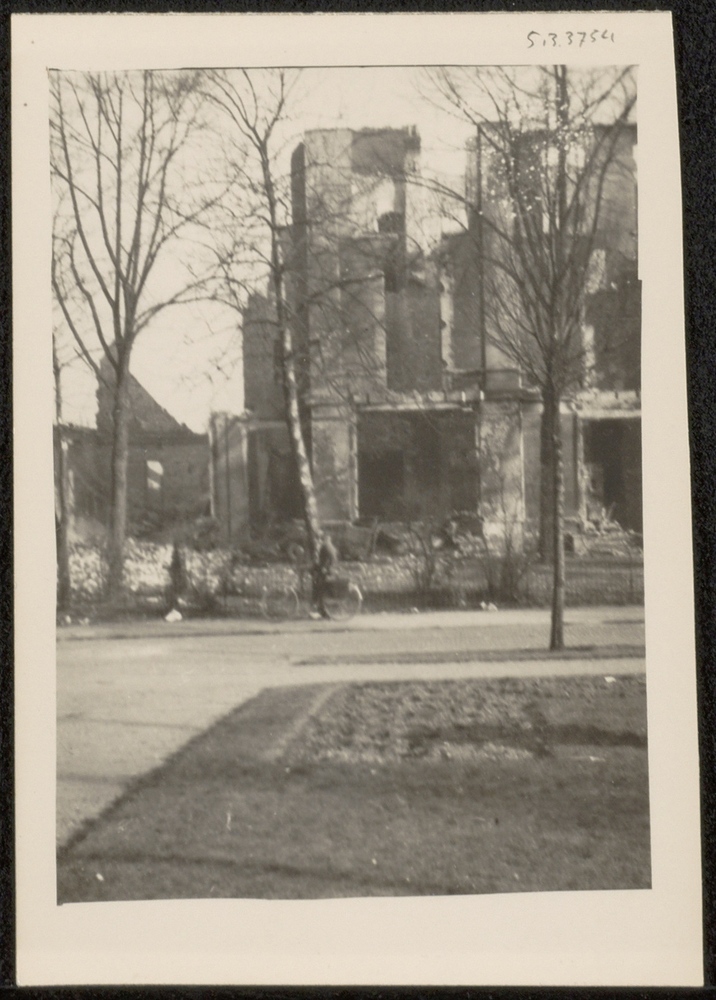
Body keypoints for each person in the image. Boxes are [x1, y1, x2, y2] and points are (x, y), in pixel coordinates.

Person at [314, 533, 339, 618]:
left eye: (321, 539)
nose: (320, 541)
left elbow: (323, 561)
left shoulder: (324, 547)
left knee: (320, 589)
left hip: (326, 572)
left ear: (323, 539)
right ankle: (321, 609)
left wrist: (319, 568)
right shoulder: (332, 547)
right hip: (331, 571)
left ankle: (322, 611)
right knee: (321, 588)